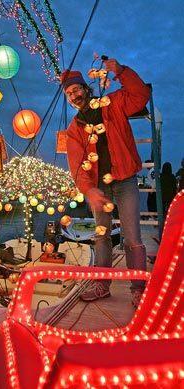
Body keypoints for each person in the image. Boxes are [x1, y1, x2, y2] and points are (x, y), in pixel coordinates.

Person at [60, 58, 150, 308]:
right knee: (101, 237)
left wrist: (120, 71)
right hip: (100, 187)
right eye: (69, 93)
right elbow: (77, 165)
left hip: (125, 180)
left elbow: (140, 95)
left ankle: (139, 287)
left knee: (133, 237)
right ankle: (101, 284)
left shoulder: (113, 103)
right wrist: (89, 190)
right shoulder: (74, 129)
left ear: (86, 88)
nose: (74, 95)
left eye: (76, 89)